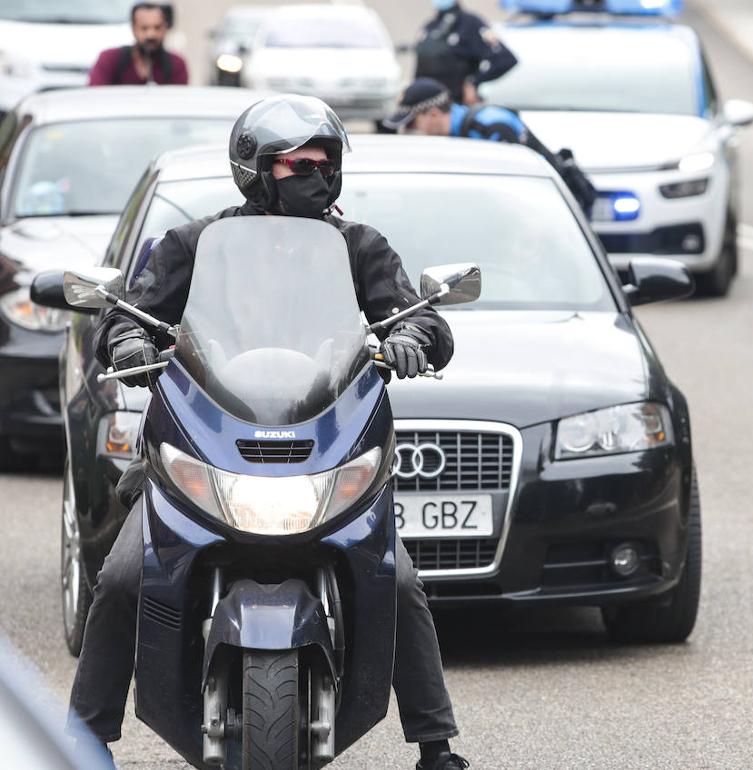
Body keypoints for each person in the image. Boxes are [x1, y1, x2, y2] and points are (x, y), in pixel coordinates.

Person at [68, 95, 469, 770]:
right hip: (210, 440)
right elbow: (127, 316)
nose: (315, 173)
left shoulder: (358, 246)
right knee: (122, 576)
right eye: (297, 163)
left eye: (324, 161)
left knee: (396, 580)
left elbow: (421, 318)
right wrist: (131, 337)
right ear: (255, 169)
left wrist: (411, 336)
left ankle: (437, 745)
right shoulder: (192, 245)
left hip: (325, 441)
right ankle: (84, 740)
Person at [382, 77, 598, 215]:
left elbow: (514, 191)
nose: (414, 130)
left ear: (433, 114)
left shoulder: (490, 125)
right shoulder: (458, 133)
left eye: (412, 123)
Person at [415, 0, 517, 104]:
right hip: (427, 105)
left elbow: (505, 59)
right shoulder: (429, 27)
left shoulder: (470, 23)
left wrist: (472, 82)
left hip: (457, 104)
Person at [88, 2, 188, 87]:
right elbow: (95, 98)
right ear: (134, 29)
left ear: (165, 28)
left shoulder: (176, 64)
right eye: (144, 28)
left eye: (157, 27)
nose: (151, 34)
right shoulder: (109, 59)